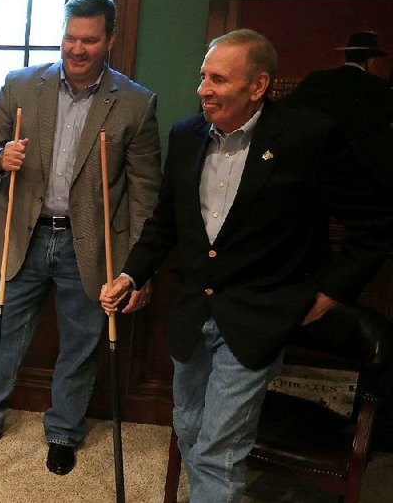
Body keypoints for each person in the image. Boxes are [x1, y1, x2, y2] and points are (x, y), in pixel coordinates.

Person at [100, 29, 393, 501]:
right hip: (194, 314)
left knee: (220, 450)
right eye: (202, 77)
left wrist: (332, 291)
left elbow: (376, 221)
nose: (202, 89)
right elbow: (165, 222)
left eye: (217, 79)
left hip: (258, 317)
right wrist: (133, 274)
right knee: (190, 429)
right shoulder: (186, 135)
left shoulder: (307, 138)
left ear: (257, 86)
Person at [0, 0, 162, 476]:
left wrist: (138, 269)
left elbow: (147, 194)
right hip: (21, 232)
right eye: (70, 38)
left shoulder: (134, 103)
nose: (77, 49)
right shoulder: (23, 85)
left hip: (89, 241)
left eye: (89, 40)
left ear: (110, 39)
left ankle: (63, 432)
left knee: (81, 343)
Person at [282, 31, 393, 189]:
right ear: (370, 60)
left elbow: (285, 108)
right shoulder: (379, 88)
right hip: (360, 177)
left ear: (347, 55)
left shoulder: (317, 78)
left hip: (315, 170)